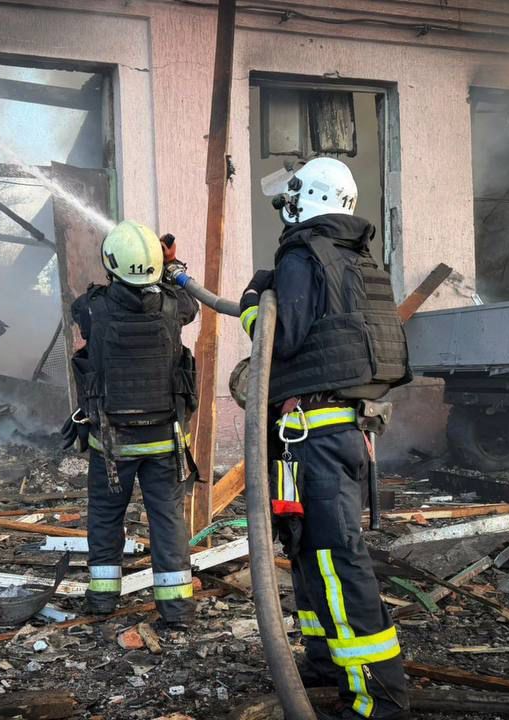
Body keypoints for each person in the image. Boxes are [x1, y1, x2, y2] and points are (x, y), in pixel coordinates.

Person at [239, 157, 412, 719]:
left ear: (308, 199)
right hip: (340, 433)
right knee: (310, 550)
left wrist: (251, 305)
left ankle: (377, 698)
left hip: (314, 437)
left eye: (292, 197)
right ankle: (325, 661)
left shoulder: (302, 255)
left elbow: (280, 338)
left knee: (337, 561)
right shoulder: (356, 258)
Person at [62, 220, 200, 629]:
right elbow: (190, 303)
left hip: (112, 443)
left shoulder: (91, 308)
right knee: (168, 520)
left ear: (112, 263)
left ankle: (103, 600)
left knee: (106, 517)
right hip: (164, 440)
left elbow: (80, 311)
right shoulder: (174, 306)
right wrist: (171, 268)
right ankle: (176, 609)